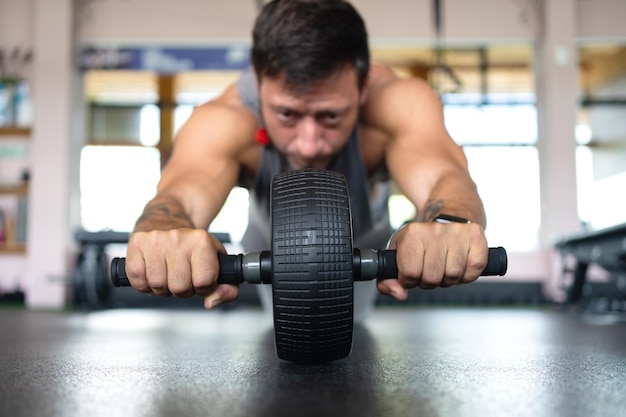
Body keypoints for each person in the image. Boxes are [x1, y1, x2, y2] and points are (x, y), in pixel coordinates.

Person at [124, 0, 489, 319]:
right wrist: (164, 235)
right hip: (268, 243)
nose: (310, 144)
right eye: (287, 115)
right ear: (261, 82)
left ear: (361, 88)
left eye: (331, 116)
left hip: (366, 240)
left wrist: (447, 224)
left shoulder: (398, 104)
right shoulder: (225, 119)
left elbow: (445, 175)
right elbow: (181, 194)